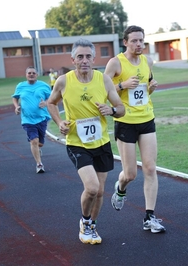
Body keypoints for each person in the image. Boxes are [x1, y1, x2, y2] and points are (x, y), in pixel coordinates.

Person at [47, 39, 125, 245]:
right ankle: (84, 221)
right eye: (80, 57)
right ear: (72, 59)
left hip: (101, 143)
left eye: (88, 56)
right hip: (77, 143)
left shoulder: (104, 80)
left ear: (94, 59)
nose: (84, 60)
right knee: (91, 187)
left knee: (100, 191)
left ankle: (92, 226)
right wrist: (59, 122)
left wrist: (112, 110)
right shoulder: (63, 81)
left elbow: (121, 108)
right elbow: (51, 103)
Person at [104, 25, 166, 234]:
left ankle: (150, 217)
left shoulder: (147, 61)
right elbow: (101, 90)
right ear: (125, 42)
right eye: (134, 41)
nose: (139, 44)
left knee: (150, 168)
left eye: (142, 41)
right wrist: (121, 86)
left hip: (146, 118)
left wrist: (151, 88)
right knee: (130, 174)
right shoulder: (115, 63)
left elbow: (145, 89)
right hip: (125, 121)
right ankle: (120, 188)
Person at [12, 66, 51, 174]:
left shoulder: (44, 86)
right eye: (29, 73)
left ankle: (38, 149)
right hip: (27, 119)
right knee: (34, 141)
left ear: (36, 75)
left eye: (33, 73)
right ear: (26, 75)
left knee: (40, 143)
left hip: (42, 118)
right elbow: (15, 97)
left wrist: (46, 103)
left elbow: (52, 98)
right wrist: (16, 107)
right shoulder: (20, 86)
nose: (31, 74)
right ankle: (39, 164)